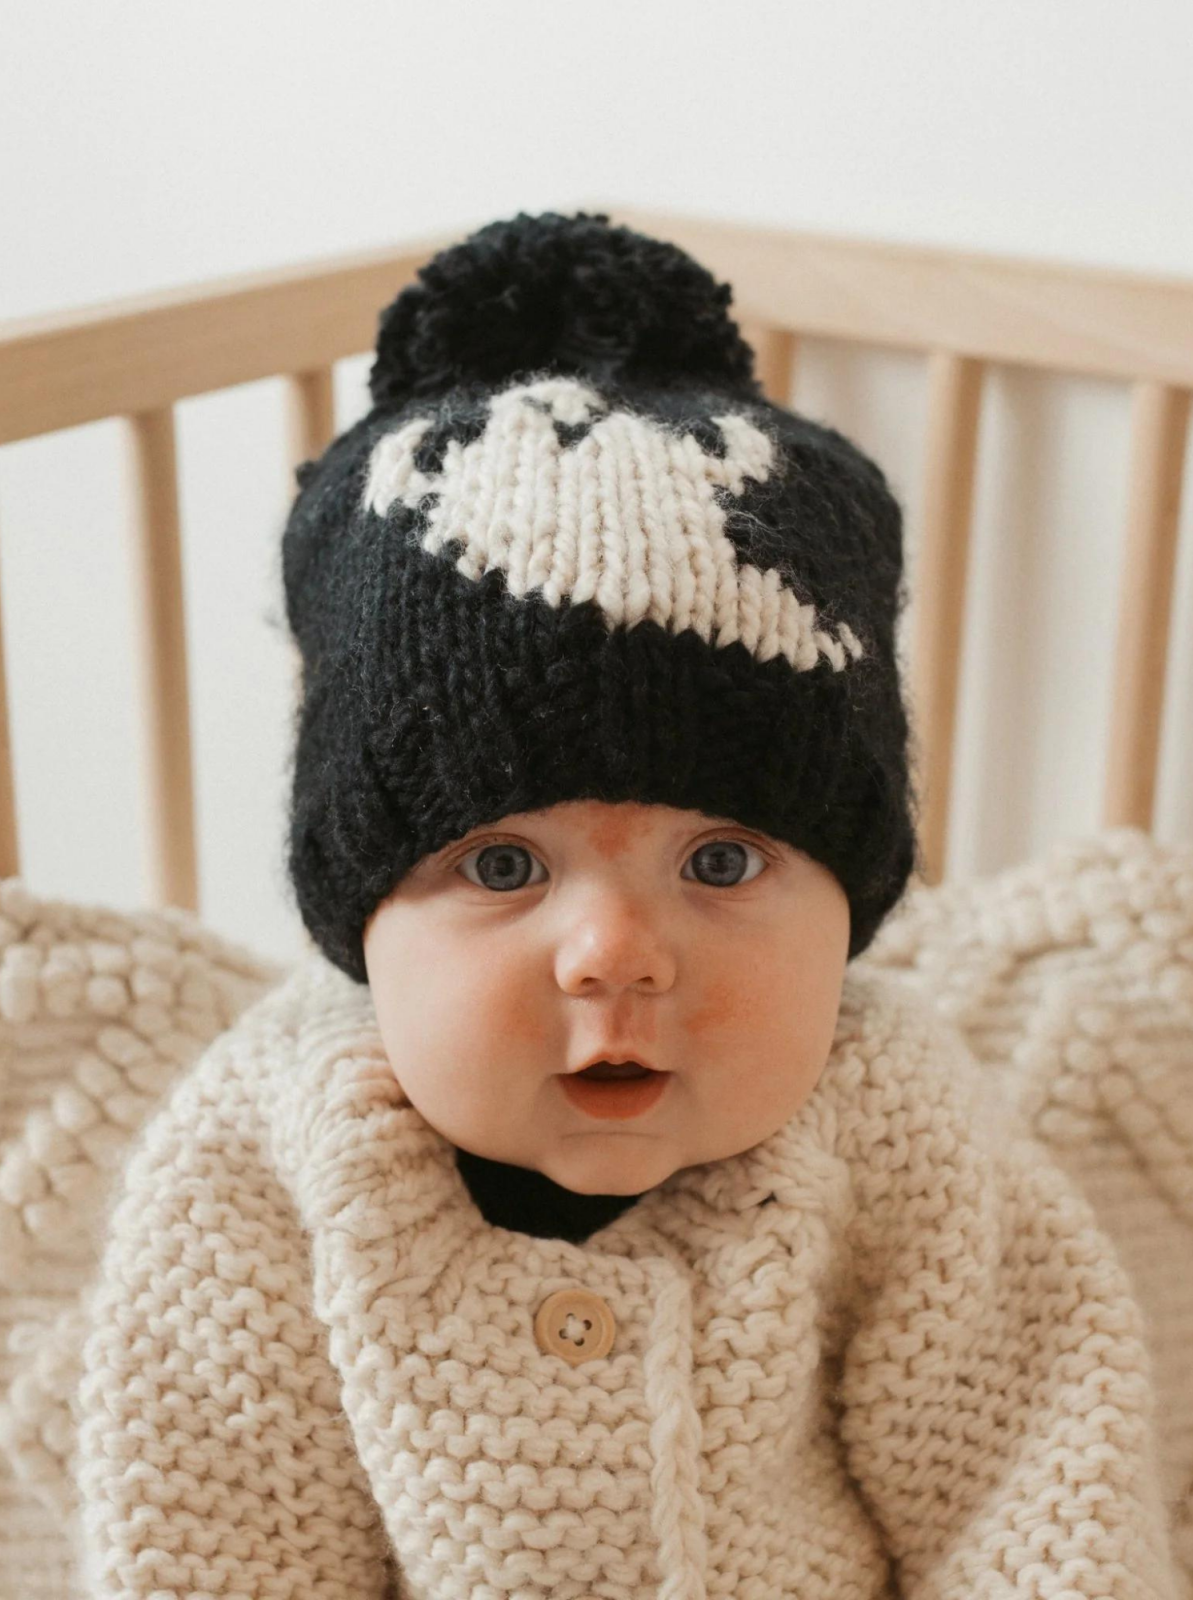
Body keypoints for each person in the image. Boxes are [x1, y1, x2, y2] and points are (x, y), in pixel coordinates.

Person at [74, 212, 1181, 1598]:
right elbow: (210, 1540)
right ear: (360, 925)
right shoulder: (257, 1168)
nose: (614, 955)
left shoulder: (900, 1124)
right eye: (502, 867)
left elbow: (1032, 1475)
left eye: (721, 863)